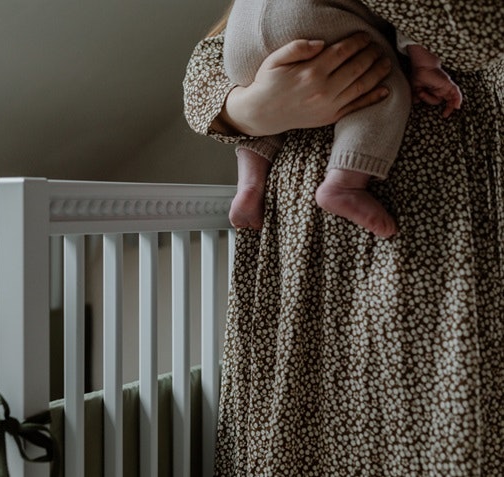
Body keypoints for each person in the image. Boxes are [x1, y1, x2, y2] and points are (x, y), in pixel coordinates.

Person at [183, 0, 503, 475]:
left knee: (428, 407)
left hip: (437, 218)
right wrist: (249, 109)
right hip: (307, 238)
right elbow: (203, 78)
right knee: (308, 417)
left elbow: (478, 34)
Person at [223, 0, 462, 236]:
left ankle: (249, 185)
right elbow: (415, 9)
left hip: (237, 41)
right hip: (301, 18)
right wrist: (426, 66)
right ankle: (344, 184)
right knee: (381, 81)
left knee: (273, 111)